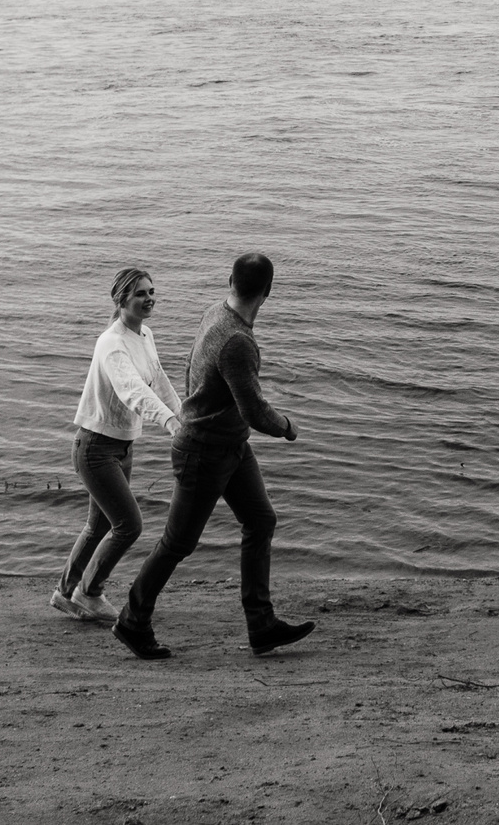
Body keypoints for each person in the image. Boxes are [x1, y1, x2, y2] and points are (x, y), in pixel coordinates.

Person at [115, 253, 315, 660]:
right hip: (204, 450)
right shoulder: (238, 342)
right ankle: (132, 621)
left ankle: (261, 625)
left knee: (261, 520)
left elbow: (198, 376)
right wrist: (288, 427)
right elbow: (254, 410)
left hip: (230, 446)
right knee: (177, 543)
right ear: (268, 292)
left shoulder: (215, 312)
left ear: (230, 282)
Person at [52, 265, 182, 623]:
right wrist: (169, 422)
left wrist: (184, 416)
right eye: (140, 293)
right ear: (121, 299)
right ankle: (88, 593)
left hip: (122, 446)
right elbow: (132, 391)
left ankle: (66, 593)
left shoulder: (145, 336)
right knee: (128, 524)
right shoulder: (111, 342)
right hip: (95, 448)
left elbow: (158, 381)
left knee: (98, 526)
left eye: (152, 292)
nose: (149, 299)